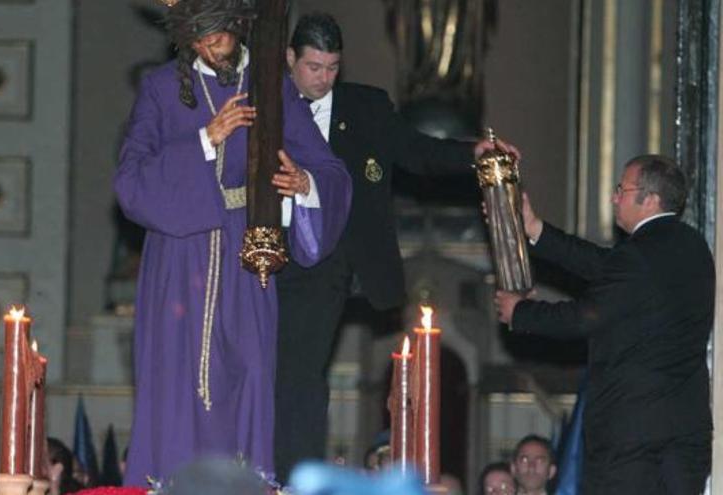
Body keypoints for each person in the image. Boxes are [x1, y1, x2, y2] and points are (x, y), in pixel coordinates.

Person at [114, 0, 352, 486]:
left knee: (251, 371)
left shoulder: (271, 87)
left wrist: (303, 183)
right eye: (198, 40)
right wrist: (206, 139)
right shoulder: (161, 89)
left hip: (250, 256)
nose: (209, 47)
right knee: (179, 379)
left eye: (217, 36)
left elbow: (329, 171)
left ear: (237, 28)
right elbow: (129, 182)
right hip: (180, 257)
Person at [274, 11, 519, 481]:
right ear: (290, 59)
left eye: (332, 68)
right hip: (259, 256)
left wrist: (473, 152)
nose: (323, 79)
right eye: (313, 68)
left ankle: (289, 481)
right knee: (256, 372)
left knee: (301, 377)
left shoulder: (365, 108)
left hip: (325, 262)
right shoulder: (265, 104)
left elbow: (419, 153)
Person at [495, 155, 714, 494]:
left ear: (651, 199)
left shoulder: (638, 256)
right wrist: (536, 229)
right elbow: (603, 265)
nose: (614, 198)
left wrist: (521, 311)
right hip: (684, 435)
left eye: (621, 189)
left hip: (634, 443)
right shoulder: (693, 247)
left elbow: (584, 317)